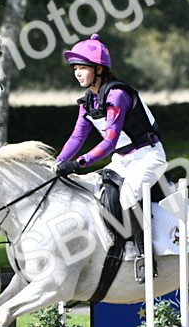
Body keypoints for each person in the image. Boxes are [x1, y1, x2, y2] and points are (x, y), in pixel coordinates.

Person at [54, 34, 167, 281]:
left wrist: (79, 163)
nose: (77, 73)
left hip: (148, 156)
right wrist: (57, 163)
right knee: (94, 192)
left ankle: (145, 256)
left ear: (99, 69)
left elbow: (109, 141)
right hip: (122, 160)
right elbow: (76, 138)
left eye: (82, 67)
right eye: (75, 68)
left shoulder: (117, 96)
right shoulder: (88, 102)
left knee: (128, 195)